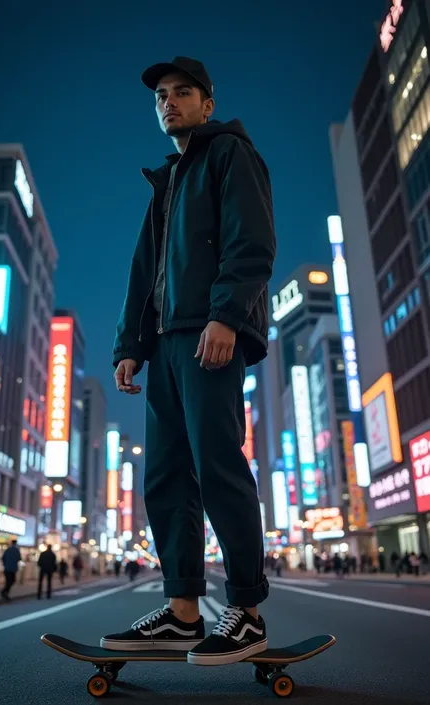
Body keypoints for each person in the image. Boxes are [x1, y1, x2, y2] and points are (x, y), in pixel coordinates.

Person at [103, 56, 275, 667]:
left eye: (182, 93)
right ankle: (182, 612)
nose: (169, 103)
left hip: (210, 335)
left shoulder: (230, 156)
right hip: (168, 343)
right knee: (166, 476)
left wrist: (226, 315)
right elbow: (142, 274)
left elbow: (251, 241)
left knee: (217, 465)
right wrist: (130, 346)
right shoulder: (168, 181)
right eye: (160, 98)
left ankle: (247, 612)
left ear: (207, 102)